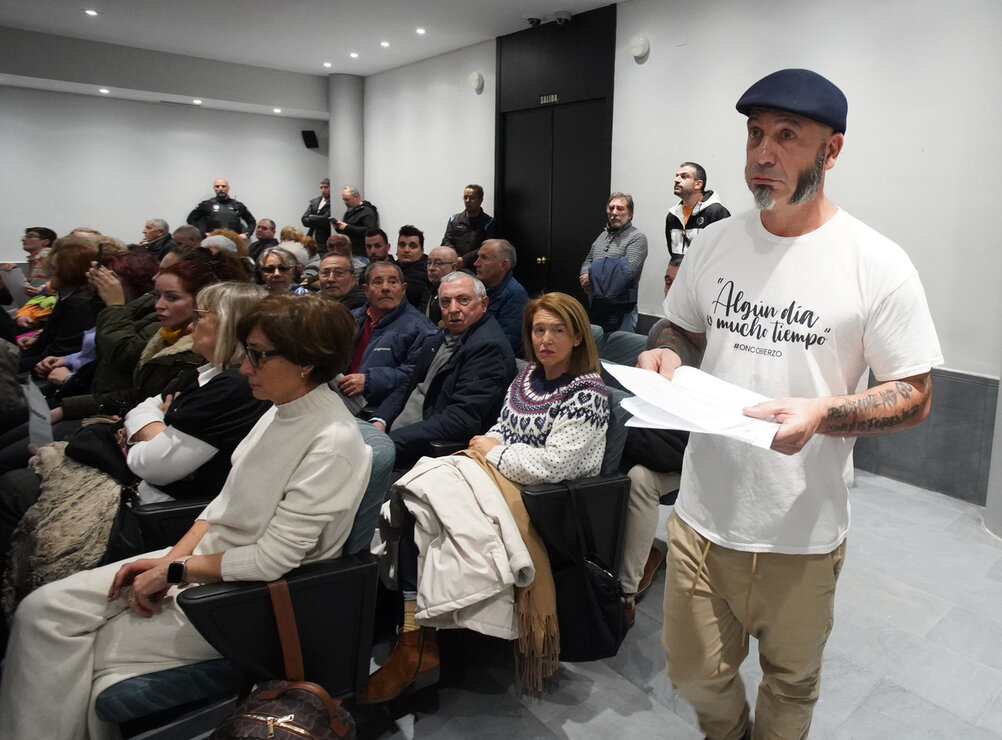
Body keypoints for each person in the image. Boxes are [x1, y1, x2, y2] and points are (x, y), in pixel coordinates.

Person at [638, 68, 942, 740]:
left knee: (791, 683)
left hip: (801, 530)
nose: (761, 155)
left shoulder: (875, 261)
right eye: (753, 136)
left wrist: (823, 414)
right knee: (692, 674)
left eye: (785, 137)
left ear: (831, 151)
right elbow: (681, 329)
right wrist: (666, 353)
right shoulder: (715, 243)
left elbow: (915, 394)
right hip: (702, 514)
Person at [0, 294, 371, 738]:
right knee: (41, 610)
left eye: (256, 355)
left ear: (307, 362)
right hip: (206, 566)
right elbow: (222, 505)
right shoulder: (280, 410)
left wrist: (175, 572)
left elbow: (272, 560)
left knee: (66, 650)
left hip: (247, 599)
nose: (245, 367)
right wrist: (167, 563)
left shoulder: (333, 443)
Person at [359, 291, 609, 704]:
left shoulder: (587, 392)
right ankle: (412, 632)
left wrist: (496, 452)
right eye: (538, 329)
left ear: (578, 336)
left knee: (426, 507)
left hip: (544, 499)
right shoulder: (528, 376)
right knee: (414, 505)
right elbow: (501, 426)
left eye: (557, 330)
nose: (545, 339)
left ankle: (417, 643)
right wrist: (491, 444)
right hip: (496, 473)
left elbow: (556, 465)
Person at [123, 281, 271, 503]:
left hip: (174, 515)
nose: (191, 327)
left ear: (226, 323)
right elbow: (144, 406)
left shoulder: (235, 386)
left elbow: (153, 467)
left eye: (198, 317)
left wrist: (152, 428)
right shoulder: (209, 371)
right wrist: (162, 430)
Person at [368, 271, 516, 468]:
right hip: (395, 433)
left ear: (484, 304)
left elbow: (460, 420)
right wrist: (380, 420)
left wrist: (389, 442)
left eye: (463, 300)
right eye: (445, 302)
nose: (453, 309)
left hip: (425, 450)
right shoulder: (442, 335)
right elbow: (409, 384)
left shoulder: (488, 348)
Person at [340, 262, 436, 407]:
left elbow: (418, 375)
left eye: (393, 282)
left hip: (377, 408)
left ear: (403, 289)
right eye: (378, 282)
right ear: (366, 290)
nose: (385, 288)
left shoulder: (422, 328)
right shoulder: (350, 318)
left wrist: (370, 382)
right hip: (339, 397)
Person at [17, 237, 100, 373]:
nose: (50, 274)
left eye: (55, 269)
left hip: (53, 365)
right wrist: (37, 340)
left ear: (70, 271)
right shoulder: (67, 295)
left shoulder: (79, 303)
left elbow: (61, 350)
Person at [579, 192, 649, 332]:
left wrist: (592, 276)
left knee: (620, 352)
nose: (614, 213)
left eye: (620, 209)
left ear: (630, 214)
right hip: (597, 305)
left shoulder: (637, 238)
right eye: (611, 208)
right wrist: (585, 276)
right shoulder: (602, 236)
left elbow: (626, 273)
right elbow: (588, 261)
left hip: (622, 310)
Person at [474, 239, 528, 357]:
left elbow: (508, 341)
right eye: (478, 257)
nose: (476, 263)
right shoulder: (482, 289)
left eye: (484, 258)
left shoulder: (515, 294)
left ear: (503, 265)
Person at [664, 162, 731, 257]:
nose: (676, 180)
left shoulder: (716, 212)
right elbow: (674, 255)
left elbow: (724, 253)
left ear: (698, 184)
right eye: (676, 176)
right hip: (681, 271)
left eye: (684, 176)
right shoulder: (673, 216)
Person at [441, 184, 498, 269]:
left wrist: (464, 260)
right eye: (465, 197)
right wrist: (456, 258)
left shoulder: (489, 222)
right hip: (454, 265)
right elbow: (446, 240)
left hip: (477, 267)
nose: (467, 200)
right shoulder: (454, 219)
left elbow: (487, 247)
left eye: (472, 198)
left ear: (480, 200)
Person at [185, 178, 255, 239]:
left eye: (223, 186)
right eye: (217, 186)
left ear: (228, 188)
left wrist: (247, 234)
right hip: (212, 242)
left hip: (233, 242)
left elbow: (252, 222)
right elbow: (191, 219)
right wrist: (202, 233)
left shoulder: (238, 205)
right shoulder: (207, 204)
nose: (220, 189)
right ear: (214, 188)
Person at [418, 244, 462, 324]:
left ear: (453, 267)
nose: (431, 268)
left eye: (438, 263)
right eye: (429, 263)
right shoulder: (428, 289)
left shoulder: (461, 292)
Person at [332, 186, 379, 258]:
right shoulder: (349, 212)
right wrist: (339, 228)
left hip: (361, 253)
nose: (345, 202)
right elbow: (347, 232)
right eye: (343, 200)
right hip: (350, 252)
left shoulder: (367, 212)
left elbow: (370, 231)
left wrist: (347, 228)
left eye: (347, 199)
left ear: (356, 196)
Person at [395, 224, 430, 309]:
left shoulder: (427, 271)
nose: (406, 250)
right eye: (402, 245)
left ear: (422, 251)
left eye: (412, 246)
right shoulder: (392, 266)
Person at [301, 178, 333, 247]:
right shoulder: (315, 202)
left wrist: (311, 217)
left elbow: (325, 220)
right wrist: (317, 220)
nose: (323, 190)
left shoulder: (334, 202)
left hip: (326, 238)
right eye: (321, 188)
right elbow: (304, 219)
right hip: (312, 236)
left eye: (326, 187)